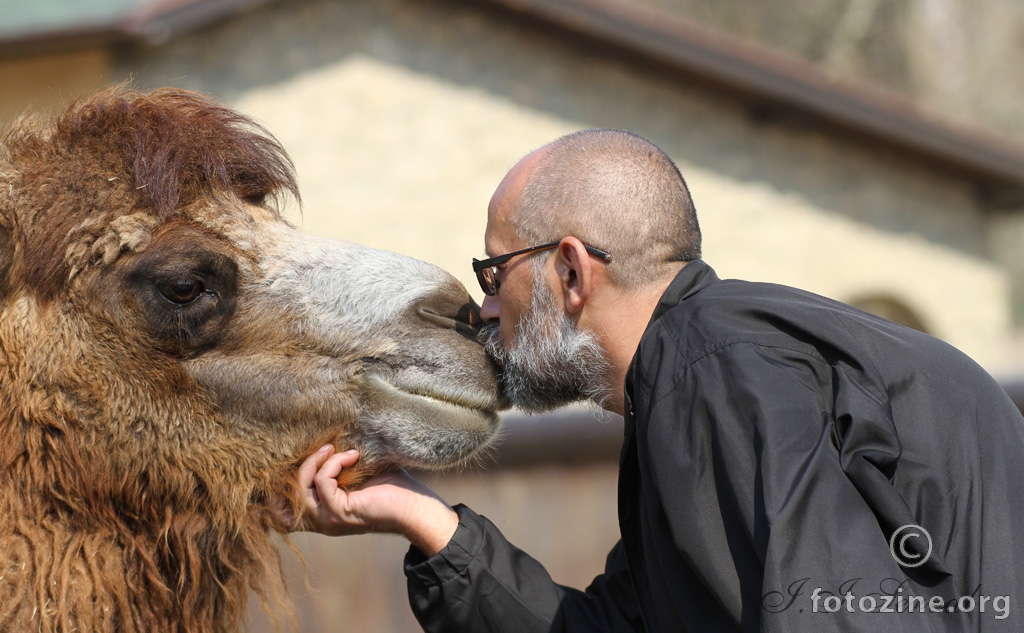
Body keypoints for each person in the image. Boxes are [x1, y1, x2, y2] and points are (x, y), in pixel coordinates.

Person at [283, 129, 1024, 632]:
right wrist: (422, 518)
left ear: (569, 271)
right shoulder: (711, 369)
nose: (481, 309)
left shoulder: (719, 370)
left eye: (493, 271)